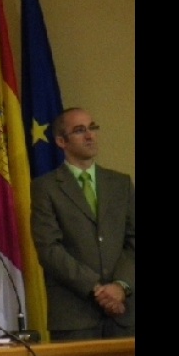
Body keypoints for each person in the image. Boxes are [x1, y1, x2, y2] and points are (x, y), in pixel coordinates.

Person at [30, 108, 135, 341]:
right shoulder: (46, 188)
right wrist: (96, 289)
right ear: (61, 141)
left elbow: (133, 241)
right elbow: (49, 249)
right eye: (79, 131)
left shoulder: (120, 183)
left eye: (92, 128)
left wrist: (120, 286)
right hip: (75, 316)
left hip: (125, 314)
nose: (90, 136)